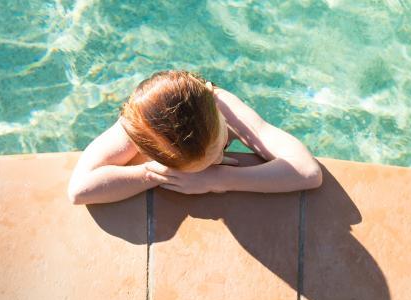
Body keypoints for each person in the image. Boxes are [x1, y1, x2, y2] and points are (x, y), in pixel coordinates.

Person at [68, 70, 322, 204]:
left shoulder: (223, 106)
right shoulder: (138, 129)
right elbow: (80, 190)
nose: (221, 157)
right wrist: (152, 173)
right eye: (213, 161)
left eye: (219, 150)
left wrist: (219, 178)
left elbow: (307, 171)